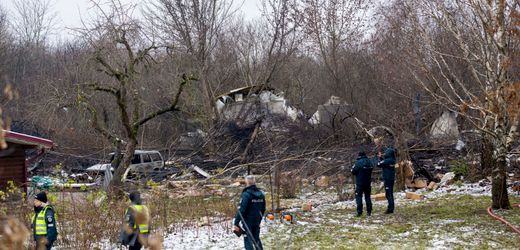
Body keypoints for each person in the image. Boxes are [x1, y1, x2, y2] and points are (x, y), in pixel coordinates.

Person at [233, 175, 266, 250]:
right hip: (257, 219)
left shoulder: (246, 194)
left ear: (247, 182)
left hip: (247, 221)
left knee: (247, 238)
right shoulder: (261, 194)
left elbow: (242, 209)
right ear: (254, 182)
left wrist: (236, 222)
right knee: (256, 238)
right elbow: (263, 208)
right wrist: (259, 219)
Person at [351, 151, 373, 216]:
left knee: (359, 197)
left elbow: (353, 171)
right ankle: (369, 211)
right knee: (368, 197)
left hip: (360, 183)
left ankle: (359, 212)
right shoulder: (369, 162)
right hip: (368, 182)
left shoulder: (358, 163)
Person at [377, 147, 396, 214]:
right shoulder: (392, 160)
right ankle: (391, 208)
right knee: (390, 193)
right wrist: (381, 158)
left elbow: (379, 164)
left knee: (388, 194)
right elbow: (384, 164)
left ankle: (390, 209)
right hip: (391, 178)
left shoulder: (387, 161)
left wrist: (379, 158)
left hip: (387, 179)